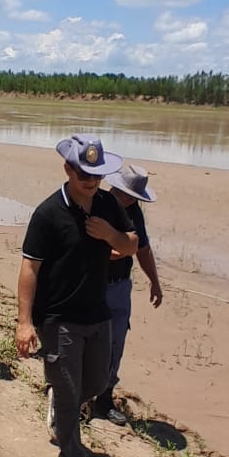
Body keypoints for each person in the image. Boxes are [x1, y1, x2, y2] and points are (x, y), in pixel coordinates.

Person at [16, 134, 136, 457]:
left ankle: (59, 402)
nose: (90, 180)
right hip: (57, 316)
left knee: (98, 383)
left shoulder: (108, 206)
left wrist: (110, 233)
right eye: (82, 171)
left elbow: (131, 245)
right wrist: (24, 323)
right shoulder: (48, 213)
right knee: (70, 392)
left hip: (96, 313)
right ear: (68, 168)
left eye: (95, 173)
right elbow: (29, 269)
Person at [91, 164, 163, 420]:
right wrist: (111, 253)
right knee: (83, 339)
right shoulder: (96, 203)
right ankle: (71, 394)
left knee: (115, 342)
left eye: (133, 196)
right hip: (91, 284)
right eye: (125, 193)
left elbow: (141, 249)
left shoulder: (134, 213)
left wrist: (154, 281)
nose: (129, 199)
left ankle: (104, 397)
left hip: (120, 286)